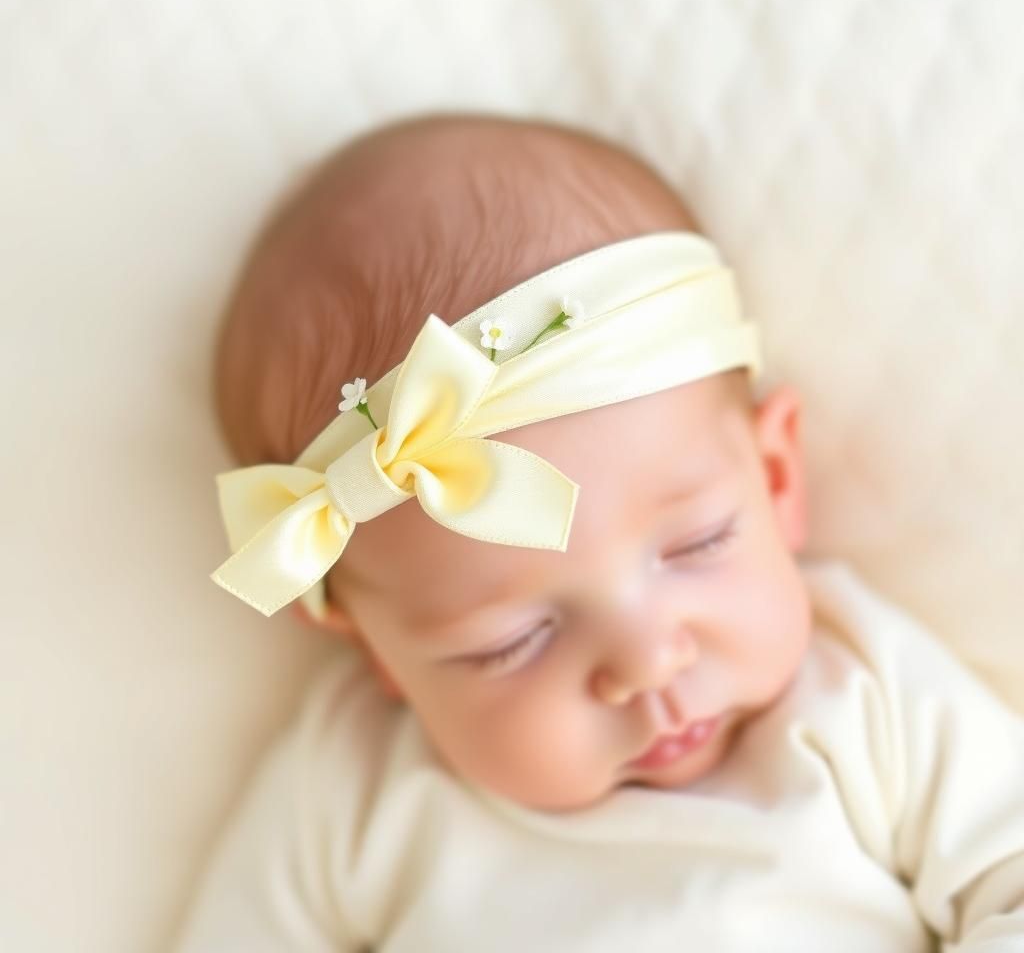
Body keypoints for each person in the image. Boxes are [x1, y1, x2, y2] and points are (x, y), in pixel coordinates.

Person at [174, 115, 1024, 951]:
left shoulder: (862, 691)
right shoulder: (356, 788)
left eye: (698, 544)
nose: (648, 662)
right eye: (513, 642)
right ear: (374, 649)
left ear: (774, 478)